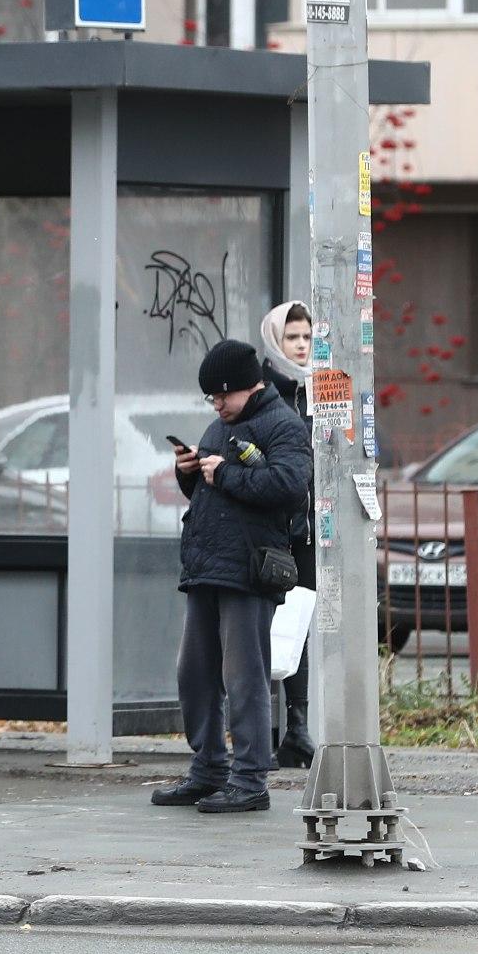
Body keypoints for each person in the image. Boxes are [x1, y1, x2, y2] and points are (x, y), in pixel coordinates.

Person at [153, 338, 313, 815]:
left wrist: (223, 474)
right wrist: (189, 472)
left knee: (245, 676)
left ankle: (250, 779)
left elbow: (289, 485)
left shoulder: (282, 425)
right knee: (195, 673)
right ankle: (208, 769)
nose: (217, 405)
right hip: (207, 567)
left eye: (222, 395)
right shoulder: (216, 428)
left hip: (249, 568)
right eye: (211, 398)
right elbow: (210, 492)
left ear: (249, 386)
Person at [255, 301, 317, 770]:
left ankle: (297, 727)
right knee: (262, 624)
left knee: (298, 625)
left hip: (310, 529)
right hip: (273, 527)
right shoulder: (264, 389)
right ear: (277, 339)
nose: (300, 345)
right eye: (292, 337)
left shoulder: (322, 388)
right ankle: (262, 728)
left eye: (307, 337)